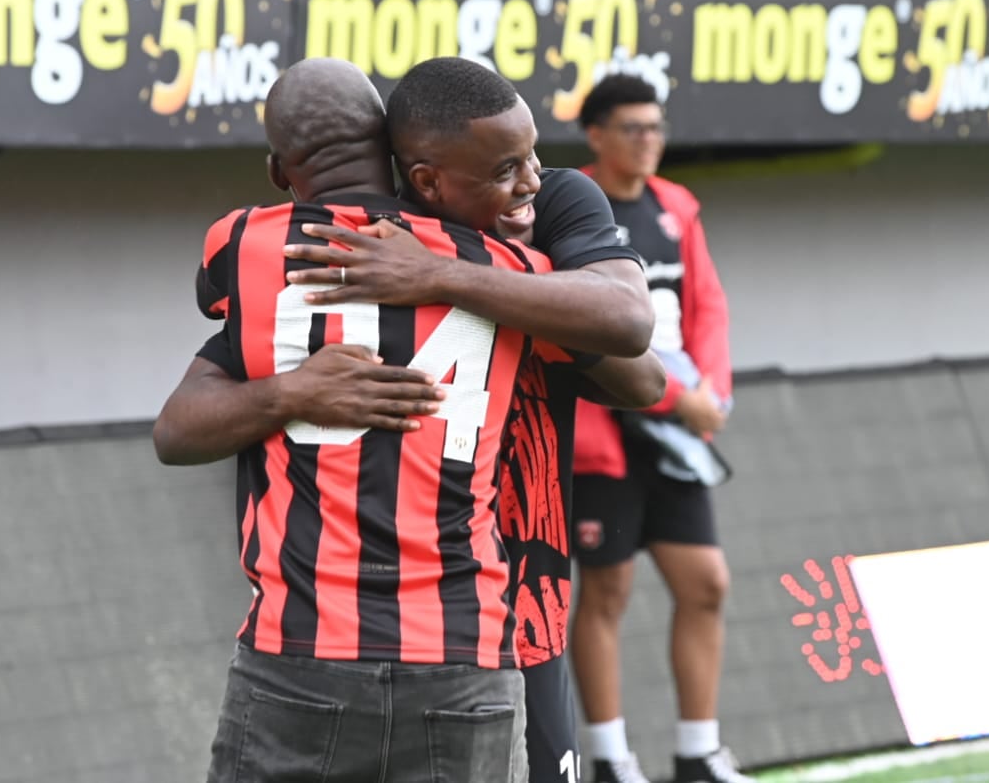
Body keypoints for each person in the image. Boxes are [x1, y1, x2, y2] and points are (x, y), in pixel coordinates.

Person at [155, 59, 662, 783]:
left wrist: (441, 278)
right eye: (504, 169)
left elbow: (635, 353)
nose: (530, 185)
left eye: (531, 160)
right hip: (466, 637)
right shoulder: (509, 260)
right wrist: (297, 389)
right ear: (418, 176)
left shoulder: (254, 248)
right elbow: (178, 427)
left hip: (498, 602)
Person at [568, 75, 743, 783]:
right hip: (602, 433)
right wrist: (676, 398)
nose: (648, 141)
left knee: (705, 582)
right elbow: (586, 328)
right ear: (596, 135)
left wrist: (712, 394)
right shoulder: (567, 204)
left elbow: (708, 307)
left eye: (656, 128)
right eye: (633, 128)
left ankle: (697, 752)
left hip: (677, 436)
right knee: (606, 591)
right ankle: (609, 760)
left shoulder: (676, 206)